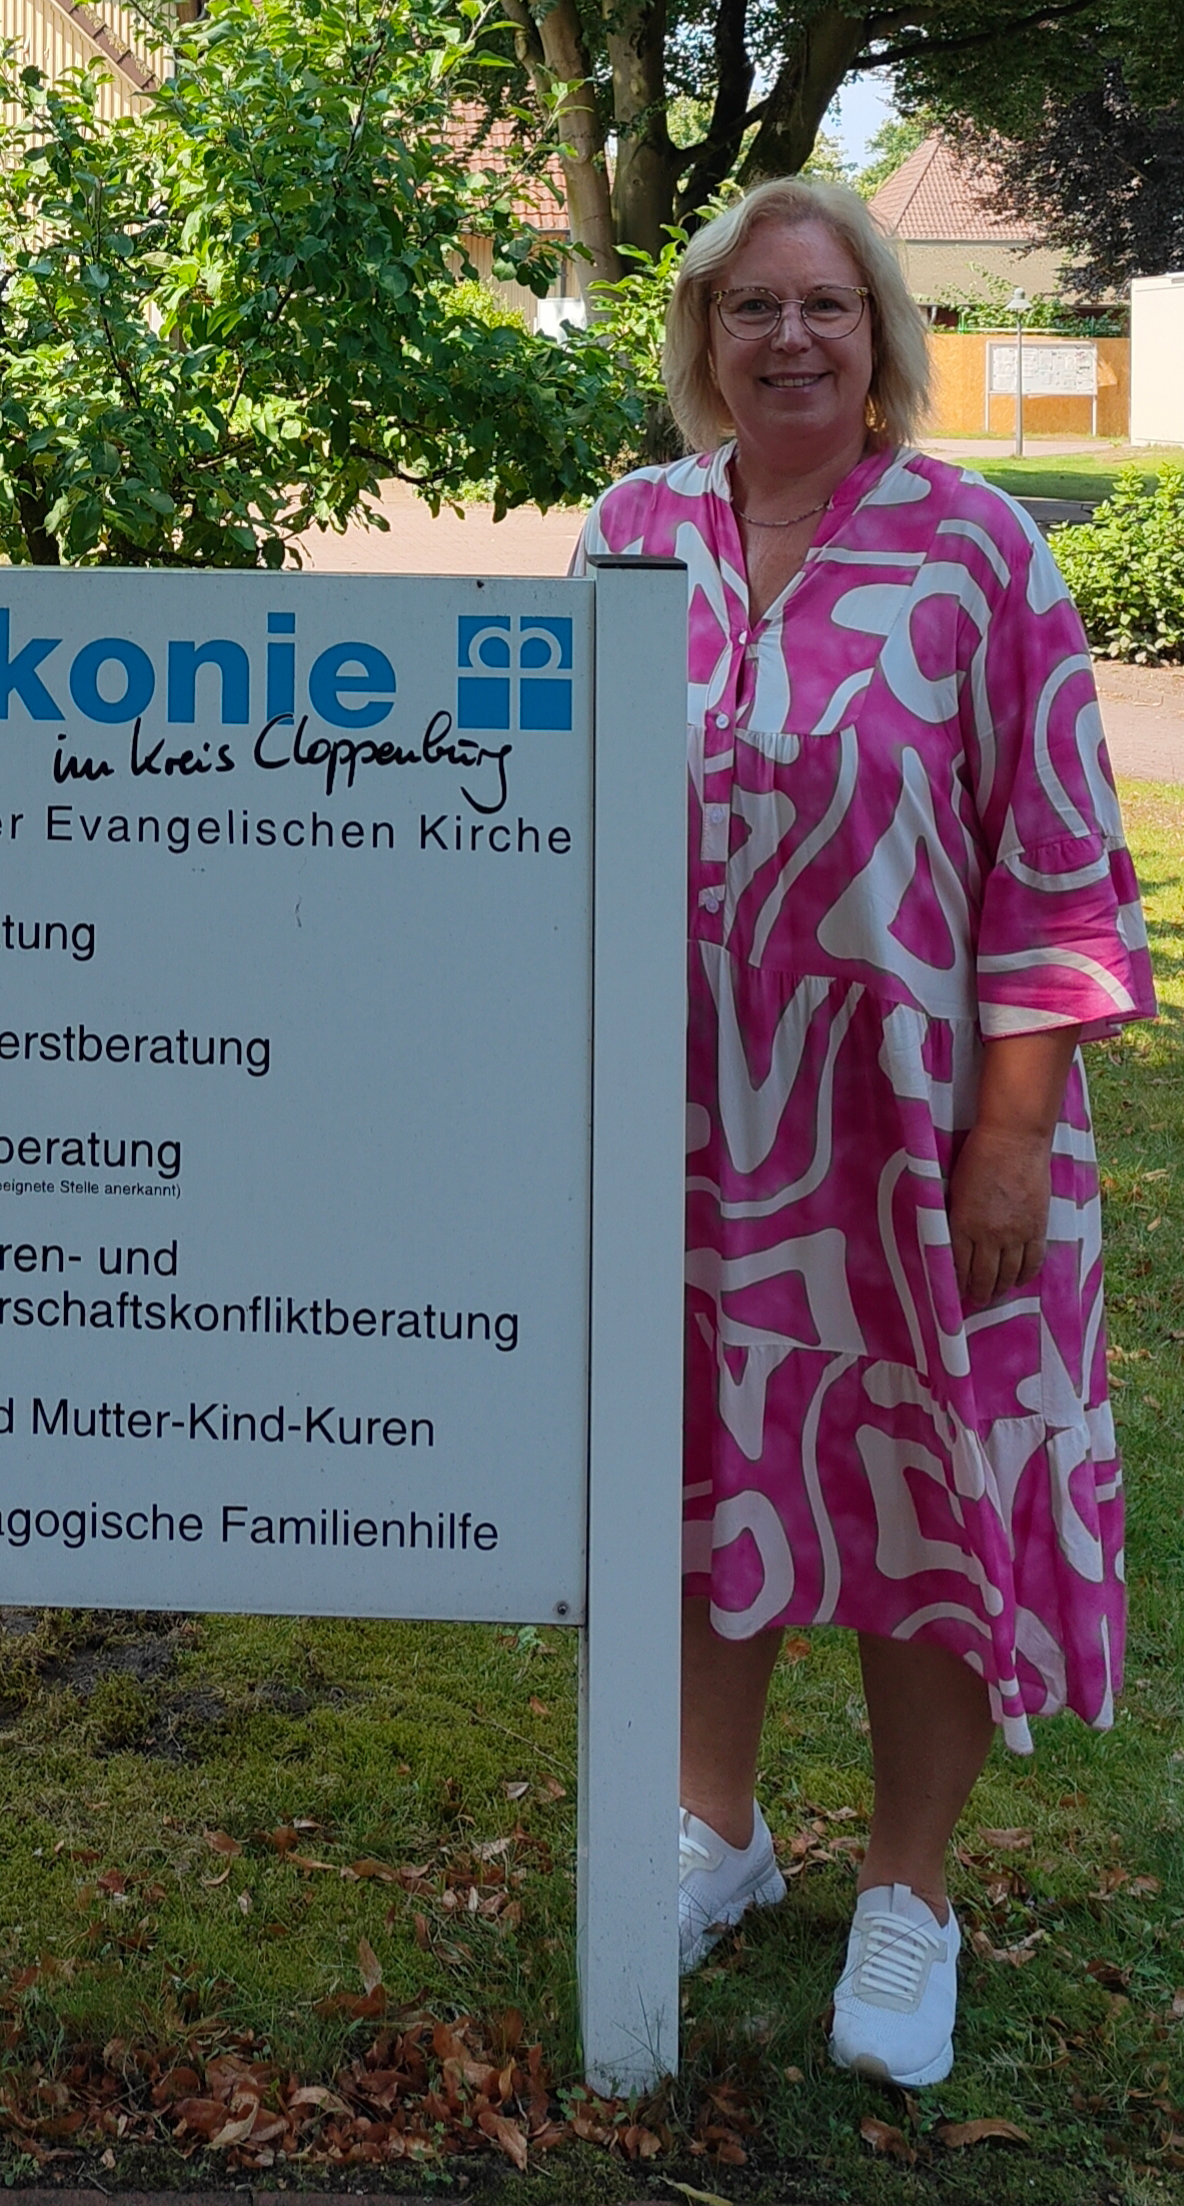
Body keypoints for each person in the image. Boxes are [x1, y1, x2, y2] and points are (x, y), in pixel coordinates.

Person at [575, 177, 1154, 2088]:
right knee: (692, 1469)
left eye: (826, 305)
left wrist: (1009, 1136)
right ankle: (712, 1829)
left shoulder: (978, 548)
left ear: (882, 328)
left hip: (919, 1143)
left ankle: (907, 1889)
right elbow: (553, 824)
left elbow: (1059, 868)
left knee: (927, 1495)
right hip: (681, 1131)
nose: (792, 340)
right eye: (754, 309)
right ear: (701, 336)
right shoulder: (628, 536)